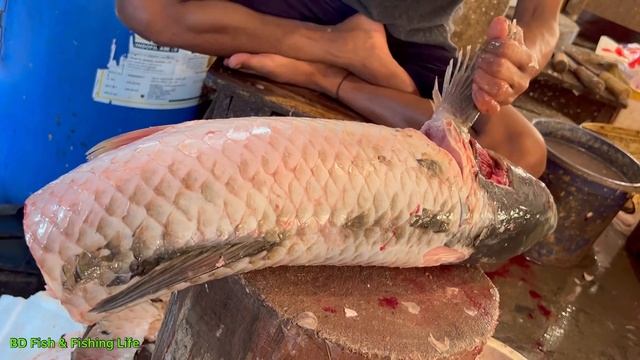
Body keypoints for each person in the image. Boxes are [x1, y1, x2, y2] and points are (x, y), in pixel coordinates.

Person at [115, 0, 562, 177]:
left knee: (523, 154)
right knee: (148, 9)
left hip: (409, 35)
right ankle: (339, 50)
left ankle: (331, 72)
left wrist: (517, 57)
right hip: (292, 8)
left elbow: (542, 18)